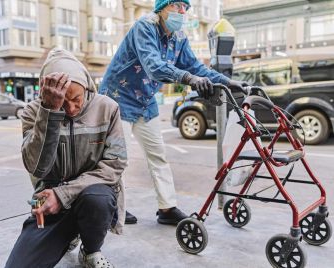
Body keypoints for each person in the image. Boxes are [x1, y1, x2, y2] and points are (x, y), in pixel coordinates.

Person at [99, 0, 247, 225]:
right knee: (118, 158)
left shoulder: (179, 37)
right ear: (162, 8)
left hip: (146, 102)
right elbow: (154, 66)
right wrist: (189, 79)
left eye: (185, 7)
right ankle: (112, 208)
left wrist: (227, 81)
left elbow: (196, 67)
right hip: (119, 98)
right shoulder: (145, 26)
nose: (182, 11)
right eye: (176, 5)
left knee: (158, 155)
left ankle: (167, 209)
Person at [5, 48, 127, 268]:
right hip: (48, 200)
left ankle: (90, 250)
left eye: (76, 99)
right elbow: (37, 168)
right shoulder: (33, 112)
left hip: (88, 194)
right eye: (63, 103)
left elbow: (114, 165)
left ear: (88, 87)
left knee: (98, 199)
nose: (70, 109)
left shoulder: (107, 108)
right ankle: (69, 234)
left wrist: (62, 194)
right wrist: (49, 113)